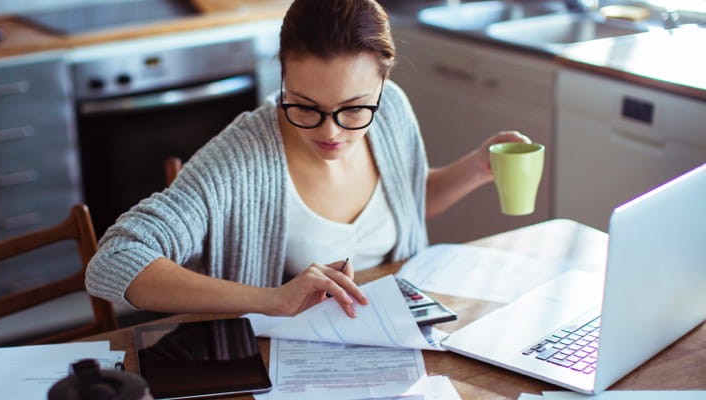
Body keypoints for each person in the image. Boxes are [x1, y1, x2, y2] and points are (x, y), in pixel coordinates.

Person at [85, 0, 530, 319]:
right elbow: (114, 262)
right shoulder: (240, 159)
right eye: (305, 105)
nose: (330, 131)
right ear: (282, 74)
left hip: (396, 338)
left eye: (354, 108)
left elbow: (409, 198)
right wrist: (270, 299)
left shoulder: (391, 109)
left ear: (382, 83)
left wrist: (476, 167)